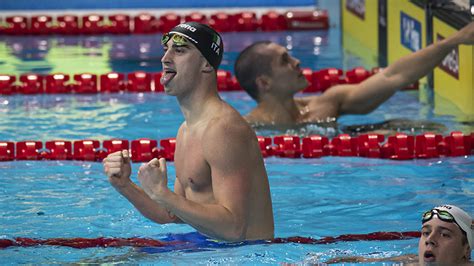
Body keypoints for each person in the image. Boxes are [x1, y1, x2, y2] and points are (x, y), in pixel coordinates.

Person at [103, 22, 274, 242]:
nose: (165, 58)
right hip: (213, 249)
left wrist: (162, 193)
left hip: (247, 255)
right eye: (166, 49)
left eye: (180, 50)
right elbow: (171, 213)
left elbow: (234, 229)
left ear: (206, 64)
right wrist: (125, 186)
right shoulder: (187, 130)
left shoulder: (222, 129)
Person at [234, 22, 474, 128]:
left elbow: (393, 77)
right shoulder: (249, 129)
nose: (297, 63)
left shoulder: (327, 103)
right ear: (264, 82)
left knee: (412, 126)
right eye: (285, 61)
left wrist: (456, 39)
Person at [325, 204, 473, 265]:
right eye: (425, 232)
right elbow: (365, 260)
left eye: (444, 235)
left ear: (466, 249)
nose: (430, 240)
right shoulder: (410, 262)